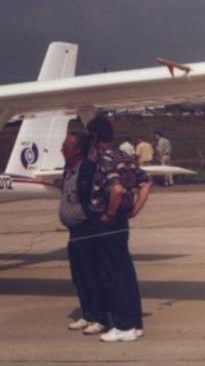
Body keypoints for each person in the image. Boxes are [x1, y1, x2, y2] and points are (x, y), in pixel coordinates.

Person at [86, 117, 152, 343]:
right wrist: (134, 210)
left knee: (112, 274)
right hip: (122, 222)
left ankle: (122, 325)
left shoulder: (105, 159)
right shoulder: (125, 156)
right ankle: (134, 323)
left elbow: (116, 189)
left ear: (95, 137)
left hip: (108, 223)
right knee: (125, 272)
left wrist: (109, 214)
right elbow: (146, 182)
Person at [59, 133, 107, 335]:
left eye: (66, 147)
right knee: (78, 275)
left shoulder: (87, 169)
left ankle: (99, 317)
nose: (62, 150)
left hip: (87, 230)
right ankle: (87, 313)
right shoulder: (67, 170)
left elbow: (94, 196)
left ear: (77, 150)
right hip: (74, 232)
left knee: (91, 274)